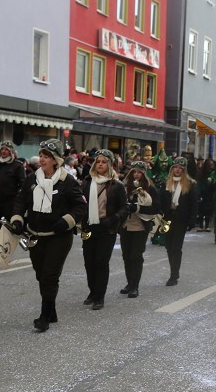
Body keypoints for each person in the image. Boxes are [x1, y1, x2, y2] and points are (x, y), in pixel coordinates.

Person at [8, 139, 86, 332]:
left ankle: (44, 316)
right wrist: (18, 219)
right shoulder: (32, 178)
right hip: (35, 235)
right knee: (40, 274)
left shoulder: (67, 181)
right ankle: (51, 311)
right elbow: (20, 201)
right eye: (41, 155)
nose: (41, 159)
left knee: (50, 276)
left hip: (58, 235)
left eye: (46, 156)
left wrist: (67, 220)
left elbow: (80, 206)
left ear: (55, 160)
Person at [80, 149, 127, 311]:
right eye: (98, 161)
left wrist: (112, 219)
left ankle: (100, 296)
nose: (100, 164)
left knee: (101, 262)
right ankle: (92, 292)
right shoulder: (87, 182)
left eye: (103, 162)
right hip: (89, 226)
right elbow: (80, 204)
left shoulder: (117, 185)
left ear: (110, 165)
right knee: (89, 262)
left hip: (106, 228)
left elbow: (124, 208)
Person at [119, 161, 157, 298]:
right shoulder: (125, 187)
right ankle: (129, 283)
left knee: (136, 256)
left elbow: (156, 208)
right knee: (126, 256)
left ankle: (135, 286)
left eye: (139, 172)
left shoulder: (150, 189)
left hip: (141, 227)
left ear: (144, 174)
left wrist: (139, 208)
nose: (136, 175)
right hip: (125, 226)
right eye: (134, 172)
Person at [159, 156, 197, 286]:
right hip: (167, 218)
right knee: (168, 246)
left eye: (180, 168)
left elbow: (193, 204)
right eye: (175, 167)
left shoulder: (190, 184)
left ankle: (174, 275)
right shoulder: (166, 182)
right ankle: (173, 271)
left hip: (181, 219)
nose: (177, 170)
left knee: (176, 247)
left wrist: (192, 220)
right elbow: (160, 201)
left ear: (184, 170)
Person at [0, 141, 26, 237]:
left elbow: (22, 183)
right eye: (2, 149)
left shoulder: (17, 165)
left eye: (6, 150)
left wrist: (18, 198)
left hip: (10, 202)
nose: (4, 151)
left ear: (11, 152)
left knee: (8, 227)